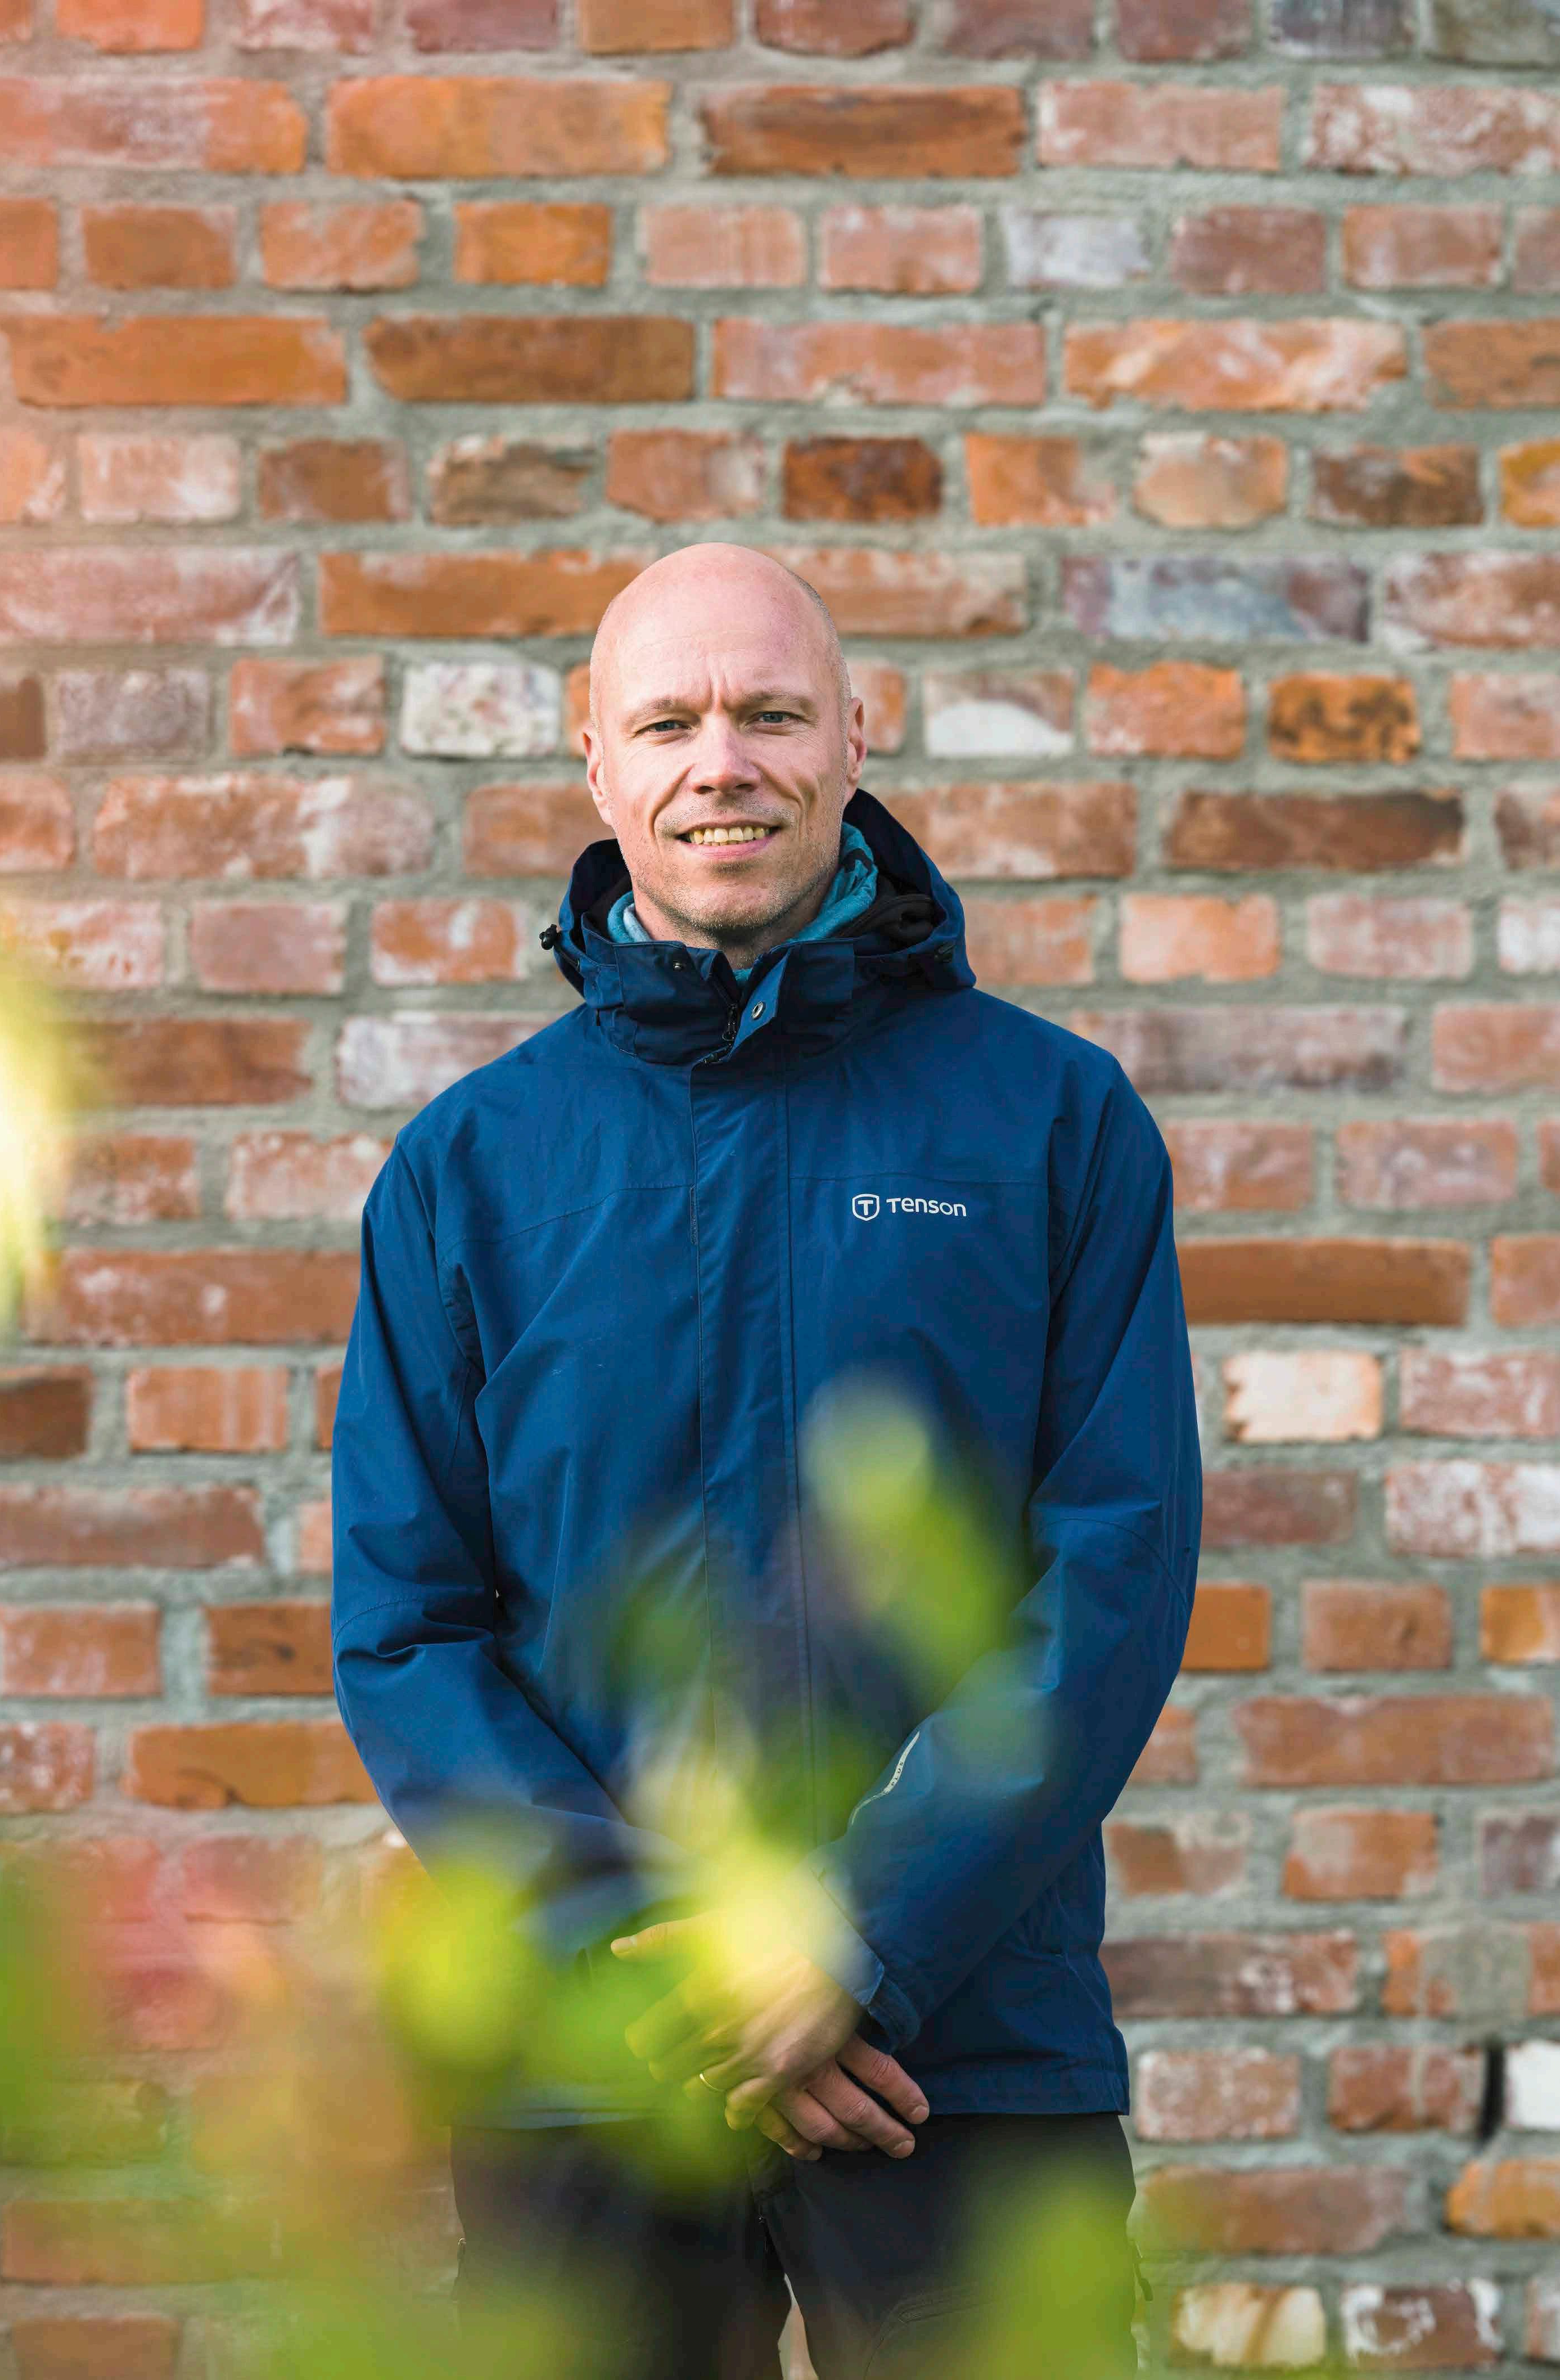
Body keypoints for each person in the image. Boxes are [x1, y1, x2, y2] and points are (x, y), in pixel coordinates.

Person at [331, 543, 1202, 2378]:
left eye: (769, 714)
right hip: (598, 2062)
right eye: (668, 723)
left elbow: (1109, 1577)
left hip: (959, 2048)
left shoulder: (1050, 1122)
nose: (719, 762)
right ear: (594, 760)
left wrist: (855, 1947)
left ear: (854, 737)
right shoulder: (469, 1168)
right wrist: (698, 1965)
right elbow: (407, 1627)